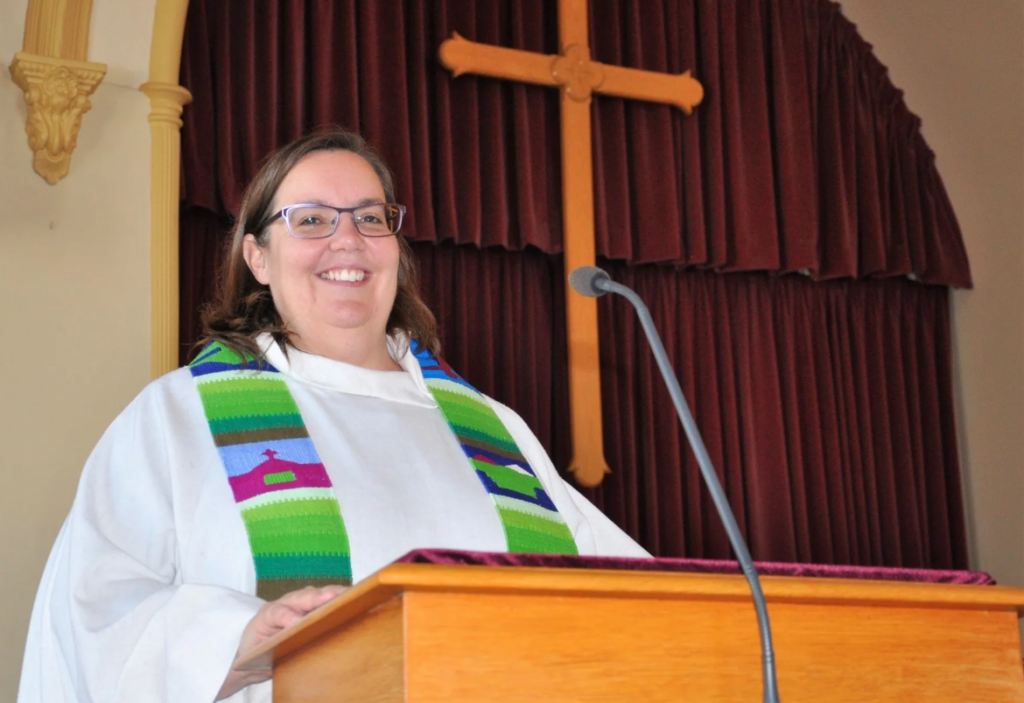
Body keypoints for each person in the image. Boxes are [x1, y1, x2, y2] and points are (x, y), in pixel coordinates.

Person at [17, 129, 649, 702]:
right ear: (257, 258)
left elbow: (630, 599)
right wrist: (233, 642)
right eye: (311, 218)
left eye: (371, 218)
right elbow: (91, 614)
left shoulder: (493, 430)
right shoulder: (178, 417)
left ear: (397, 253)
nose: (347, 240)